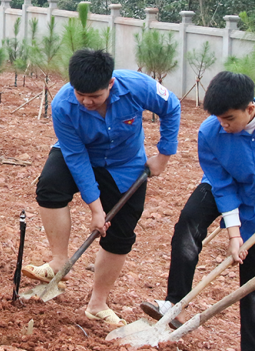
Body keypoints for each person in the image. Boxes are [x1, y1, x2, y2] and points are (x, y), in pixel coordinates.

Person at [144, 71, 255, 351]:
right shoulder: (210, 132)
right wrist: (234, 233)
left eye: (228, 118)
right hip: (219, 185)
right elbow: (221, 186)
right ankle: (173, 303)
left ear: (250, 109)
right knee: (188, 224)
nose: (223, 124)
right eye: (219, 118)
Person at [23, 49, 181, 326]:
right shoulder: (62, 105)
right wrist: (95, 208)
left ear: (110, 84)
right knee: (50, 186)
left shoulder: (137, 86)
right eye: (80, 94)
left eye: (94, 96)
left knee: (120, 234)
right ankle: (59, 262)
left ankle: (97, 304)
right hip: (81, 154)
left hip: (126, 163)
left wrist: (164, 155)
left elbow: (172, 107)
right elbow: (76, 157)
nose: (86, 101)